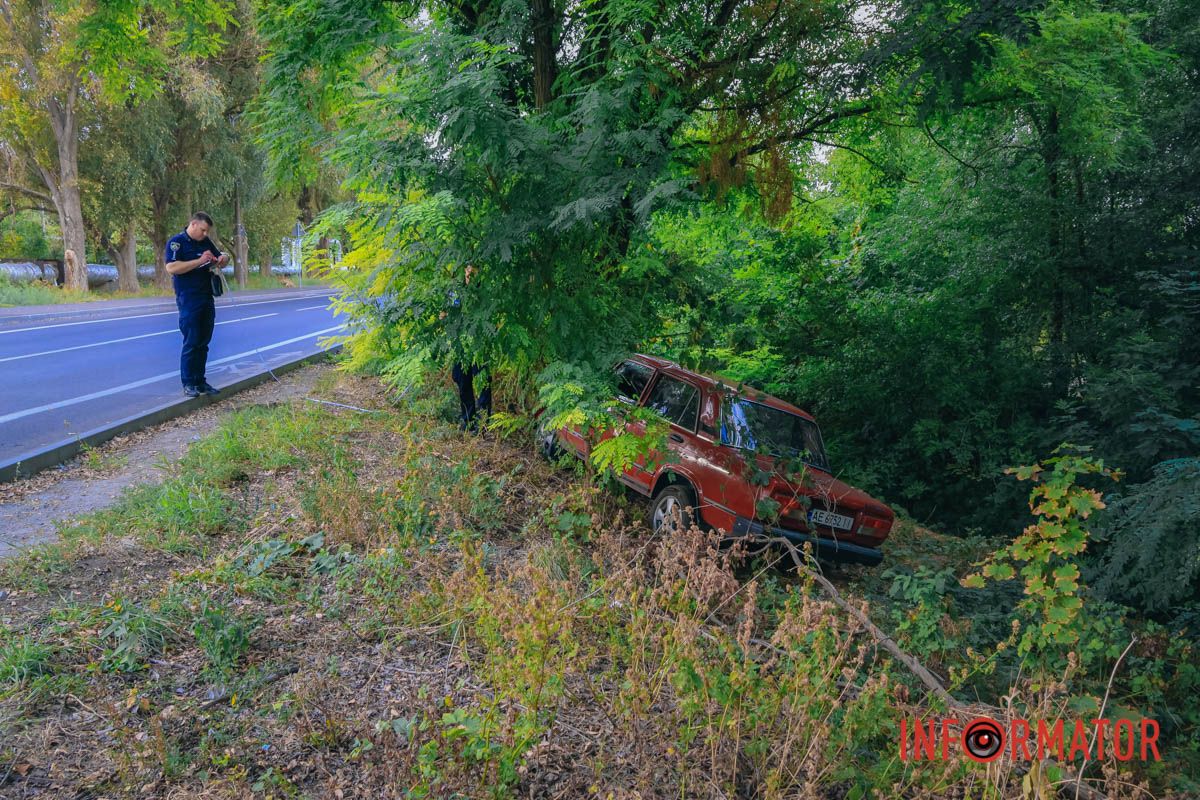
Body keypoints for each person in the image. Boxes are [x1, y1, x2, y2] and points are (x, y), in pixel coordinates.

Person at [165, 212, 229, 397]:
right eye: (202, 230)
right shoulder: (177, 242)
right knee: (192, 341)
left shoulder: (205, 242)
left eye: (207, 231)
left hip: (206, 296)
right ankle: (188, 383)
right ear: (193, 224)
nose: (205, 234)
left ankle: (200, 381)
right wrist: (200, 261)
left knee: (204, 341)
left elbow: (220, 258)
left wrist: (222, 259)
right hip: (188, 298)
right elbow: (172, 267)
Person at [447, 266, 491, 430]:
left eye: (472, 270)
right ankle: (468, 420)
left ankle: (484, 423)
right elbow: (451, 312)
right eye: (467, 270)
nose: (469, 273)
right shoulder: (456, 290)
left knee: (482, 382)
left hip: (479, 345)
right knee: (461, 379)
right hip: (461, 345)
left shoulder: (484, 289)